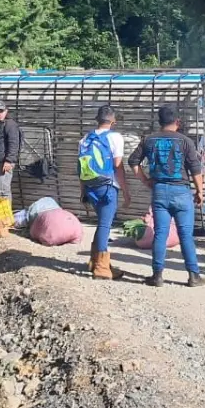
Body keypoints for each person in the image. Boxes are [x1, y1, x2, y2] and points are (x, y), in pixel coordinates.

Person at [128, 105, 205, 288]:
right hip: (182, 192)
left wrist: (146, 180)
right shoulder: (186, 141)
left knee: (160, 234)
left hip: (160, 190)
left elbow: (133, 161)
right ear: (177, 122)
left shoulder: (148, 140)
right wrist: (200, 192)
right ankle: (194, 276)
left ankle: (157, 276)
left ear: (159, 122)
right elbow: (195, 169)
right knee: (186, 235)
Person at [78, 105, 131, 280]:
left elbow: (80, 167)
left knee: (102, 223)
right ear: (113, 120)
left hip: (91, 187)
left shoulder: (85, 139)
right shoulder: (115, 137)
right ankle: (101, 267)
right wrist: (125, 190)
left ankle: (97, 261)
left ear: (97, 120)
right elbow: (118, 166)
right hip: (108, 187)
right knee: (105, 225)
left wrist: (83, 191)